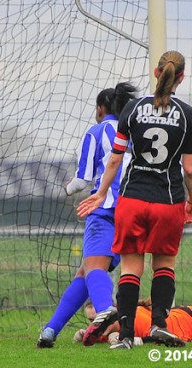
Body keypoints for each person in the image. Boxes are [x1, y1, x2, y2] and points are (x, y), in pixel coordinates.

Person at [77, 50, 192, 349]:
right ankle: (159, 325)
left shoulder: (132, 109)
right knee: (164, 265)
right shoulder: (188, 115)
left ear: (157, 73)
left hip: (131, 200)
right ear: (180, 77)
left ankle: (127, 335)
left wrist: (101, 193)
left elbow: (115, 160)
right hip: (168, 201)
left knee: (131, 268)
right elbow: (189, 169)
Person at [36, 83, 138, 348]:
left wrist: (67, 188)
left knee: (93, 268)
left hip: (104, 209)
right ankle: (50, 330)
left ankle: (108, 316)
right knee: (86, 272)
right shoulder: (134, 132)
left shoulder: (97, 131)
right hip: (134, 210)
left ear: (101, 109)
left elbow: (82, 181)